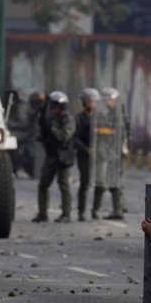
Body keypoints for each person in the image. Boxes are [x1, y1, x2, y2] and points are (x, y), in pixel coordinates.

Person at [32, 91, 76, 223]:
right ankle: (42, 213)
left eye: (54, 106)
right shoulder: (50, 118)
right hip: (51, 155)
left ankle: (66, 214)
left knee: (63, 185)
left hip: (63, 155)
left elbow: (63, 136)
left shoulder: (68, 120)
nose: (52, 109)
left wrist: (51, 128)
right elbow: (42, 134)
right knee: (43, 185)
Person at [92, 87, 129, 220]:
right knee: (102, 182)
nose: (110, 102)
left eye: (113, 100)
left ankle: (118, 210)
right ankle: (98, 210)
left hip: (116, 155)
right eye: (108, 100)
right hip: (104, 153)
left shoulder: (119, 116)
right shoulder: (102, 115)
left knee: (115, 183)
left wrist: (122, 149)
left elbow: (123, 134)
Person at [75, 88, 100, 221]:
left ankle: (95, 211)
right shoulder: (79, 118)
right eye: (89, 101)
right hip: (84, 154)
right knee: (85, 183)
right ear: (84, 102)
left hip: (99, 155)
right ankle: (81, 212)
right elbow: (75, 138)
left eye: (94, 102)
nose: (92, 104)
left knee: (99, 183)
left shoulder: (100, 118)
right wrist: (87, 149)